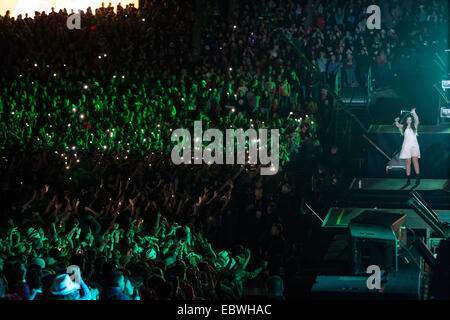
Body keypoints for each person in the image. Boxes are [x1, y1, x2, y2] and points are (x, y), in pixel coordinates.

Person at [394, 108, 420, 185]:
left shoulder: (414, 126)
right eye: (408, 119)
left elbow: (417, 119)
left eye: (410, 119)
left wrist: (414, 113)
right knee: (408, 162)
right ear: (406, 120)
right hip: (406, 146)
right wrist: (396, 120)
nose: (409, 120)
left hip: (414, 146)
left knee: (415, 161)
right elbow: (397, 124)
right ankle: (408, 179)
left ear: (411, 120)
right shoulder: (404, 126)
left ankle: (417, 178)